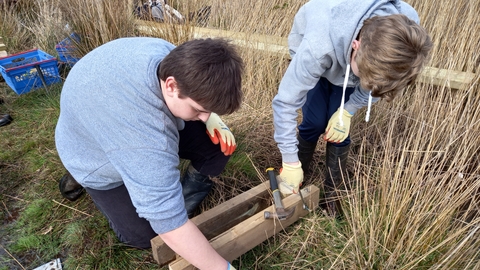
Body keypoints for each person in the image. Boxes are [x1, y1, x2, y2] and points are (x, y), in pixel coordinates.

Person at [55, 37, 243, 270]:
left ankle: (178, 200)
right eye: (199, 110)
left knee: (216, 147)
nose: (204, 116)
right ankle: (84, 174)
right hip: (88, 150)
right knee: (146, 235)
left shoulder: (168, 55)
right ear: (171, 85)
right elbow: (165, 218)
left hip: (104, 109)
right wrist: (221, 268)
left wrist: (211, 115)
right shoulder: (145, 135)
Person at [272, 0, 433, 216]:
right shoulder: (317, 45)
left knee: (339, 130)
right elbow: (286, 102)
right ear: (356, 46)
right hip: (323, 49)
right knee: (314, 121)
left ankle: (332, 193)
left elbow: (380, 86)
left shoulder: (407, 34)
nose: (368, 85)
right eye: (365, 76)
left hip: (352, 62)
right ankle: (298, 174)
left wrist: (348, 110)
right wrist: (289, 161)